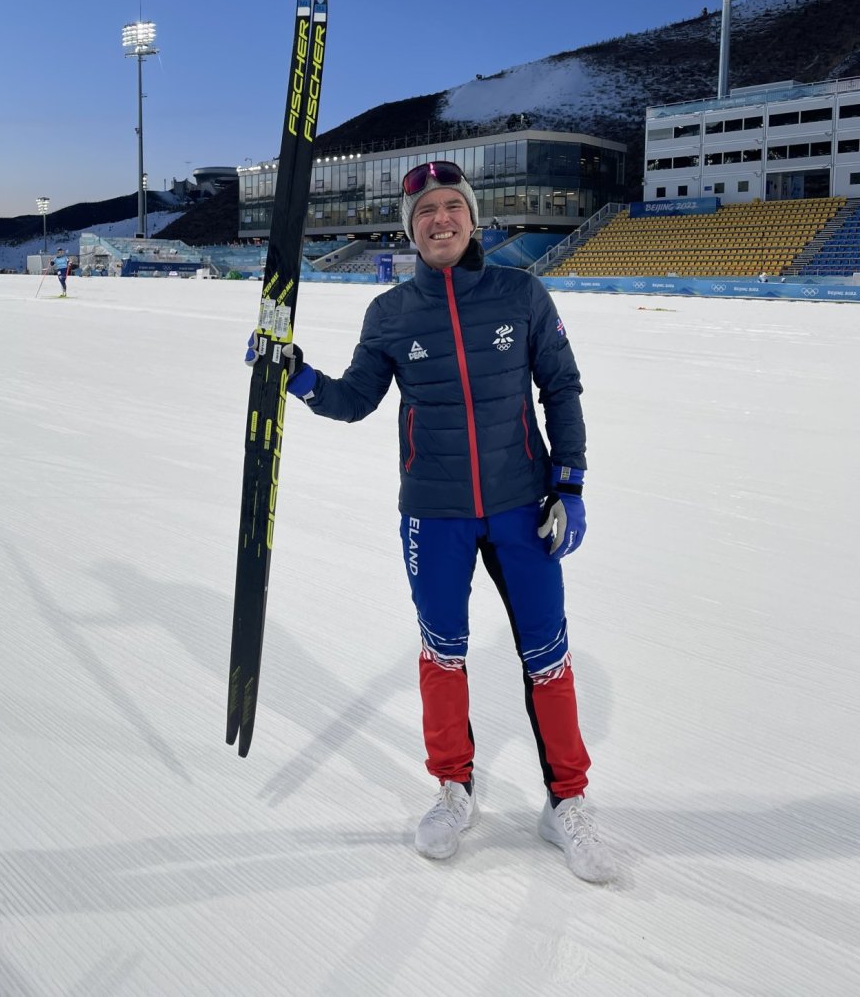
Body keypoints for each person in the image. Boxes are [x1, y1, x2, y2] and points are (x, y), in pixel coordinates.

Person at [246, 161, 615, 883]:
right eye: (425, 212)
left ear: (473, 219)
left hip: (521, 504)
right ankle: (453, 789)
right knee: (443, 653)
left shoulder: (521, 293)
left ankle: (566, 800)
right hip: (433, 512)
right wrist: (297, 376)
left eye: (452, 207)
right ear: (409, 229)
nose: (440, 219)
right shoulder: (390, 312)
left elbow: (561, 386)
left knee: (548, 654)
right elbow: (356, 399)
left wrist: (568, 484)